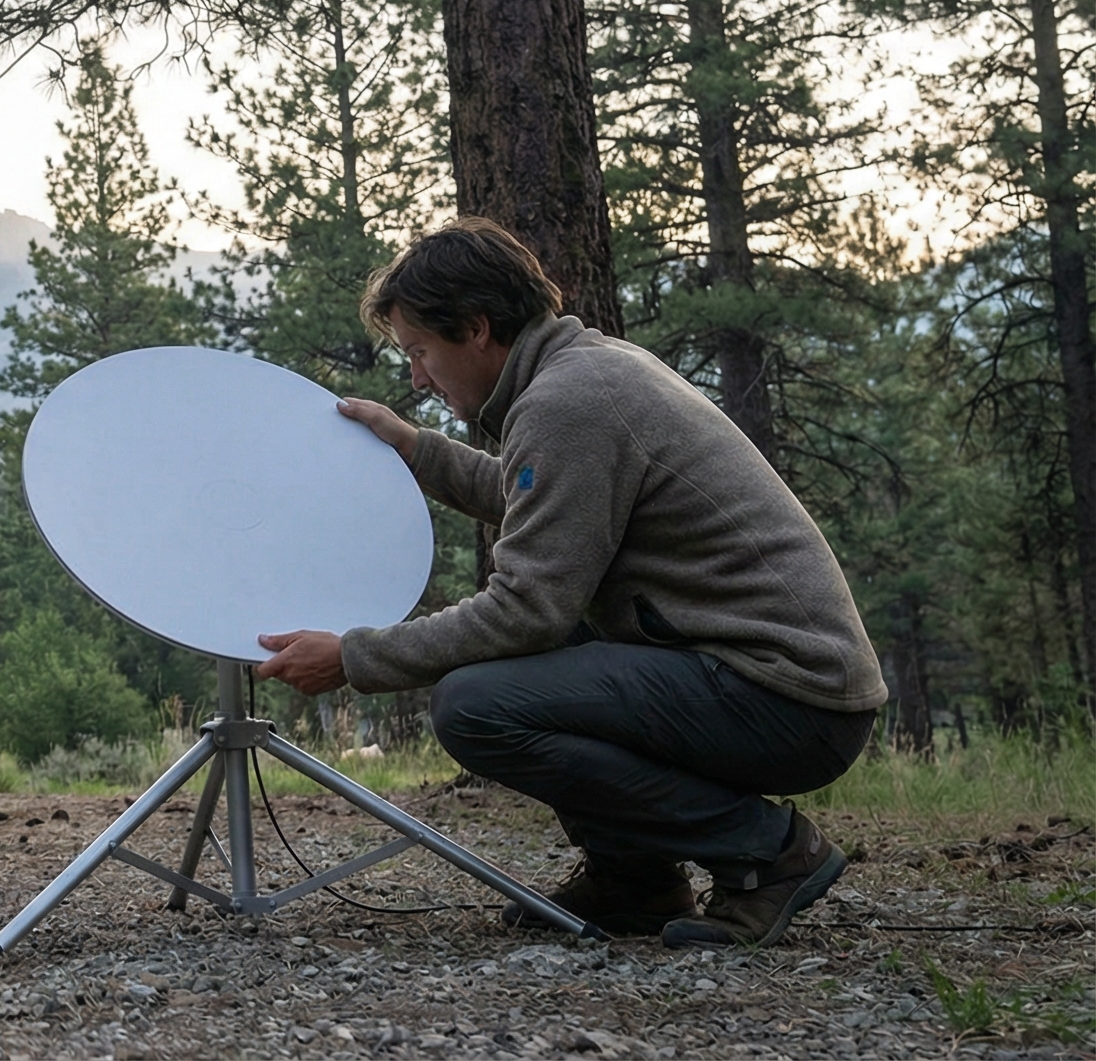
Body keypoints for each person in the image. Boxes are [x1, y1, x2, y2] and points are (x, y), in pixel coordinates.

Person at [250, 217, 884, 948]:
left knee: (476, 704)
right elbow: (546, 499)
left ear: (478, 329)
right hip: (773, 680)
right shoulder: (584, 370)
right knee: (527, 667)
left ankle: (767, 852)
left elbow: (527, 609)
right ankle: (637, 878)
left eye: (421, 351)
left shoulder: (567, 402)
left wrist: (355, 657)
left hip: (786, 699)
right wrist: (416, 449)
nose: (417, 377)